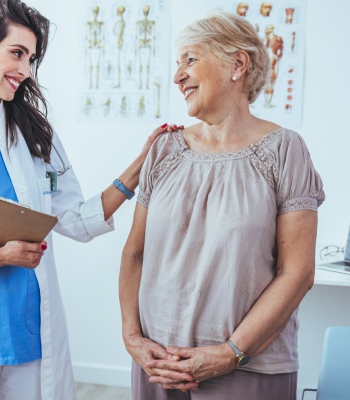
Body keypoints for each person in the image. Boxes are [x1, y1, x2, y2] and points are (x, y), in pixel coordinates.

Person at [0, 1, 177, 399]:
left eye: (31, 58)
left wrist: (138, 167)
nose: (25, 70)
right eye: (17, 53)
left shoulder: (35, 135)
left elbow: (74, 219)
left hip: (28, 331)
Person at [119, 10, 324, 400]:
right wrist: (132, 338)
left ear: (237, 64)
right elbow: (134, 253)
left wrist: (230, 353)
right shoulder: (164, 148)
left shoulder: (285, 150)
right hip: (157, 365)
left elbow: (297, 273)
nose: (178, 76)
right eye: (177, 64)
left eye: (191, 59)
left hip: (248, 366)